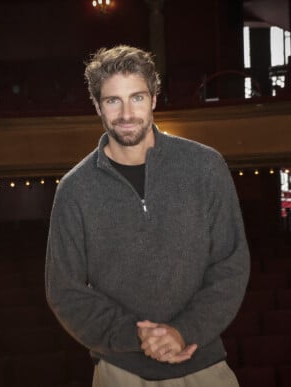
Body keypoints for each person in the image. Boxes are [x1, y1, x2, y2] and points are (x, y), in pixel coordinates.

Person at [45, 45, 250, 386]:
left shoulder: (205, 167)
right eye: (113, 101)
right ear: (97, 105)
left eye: (137, 97)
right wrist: (138, 337)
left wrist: (184, 331)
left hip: (203, 364)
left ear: (154, 99)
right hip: (120, 372)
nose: (127, 113)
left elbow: (231, 264)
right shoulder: (74, 190)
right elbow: (64, 291)